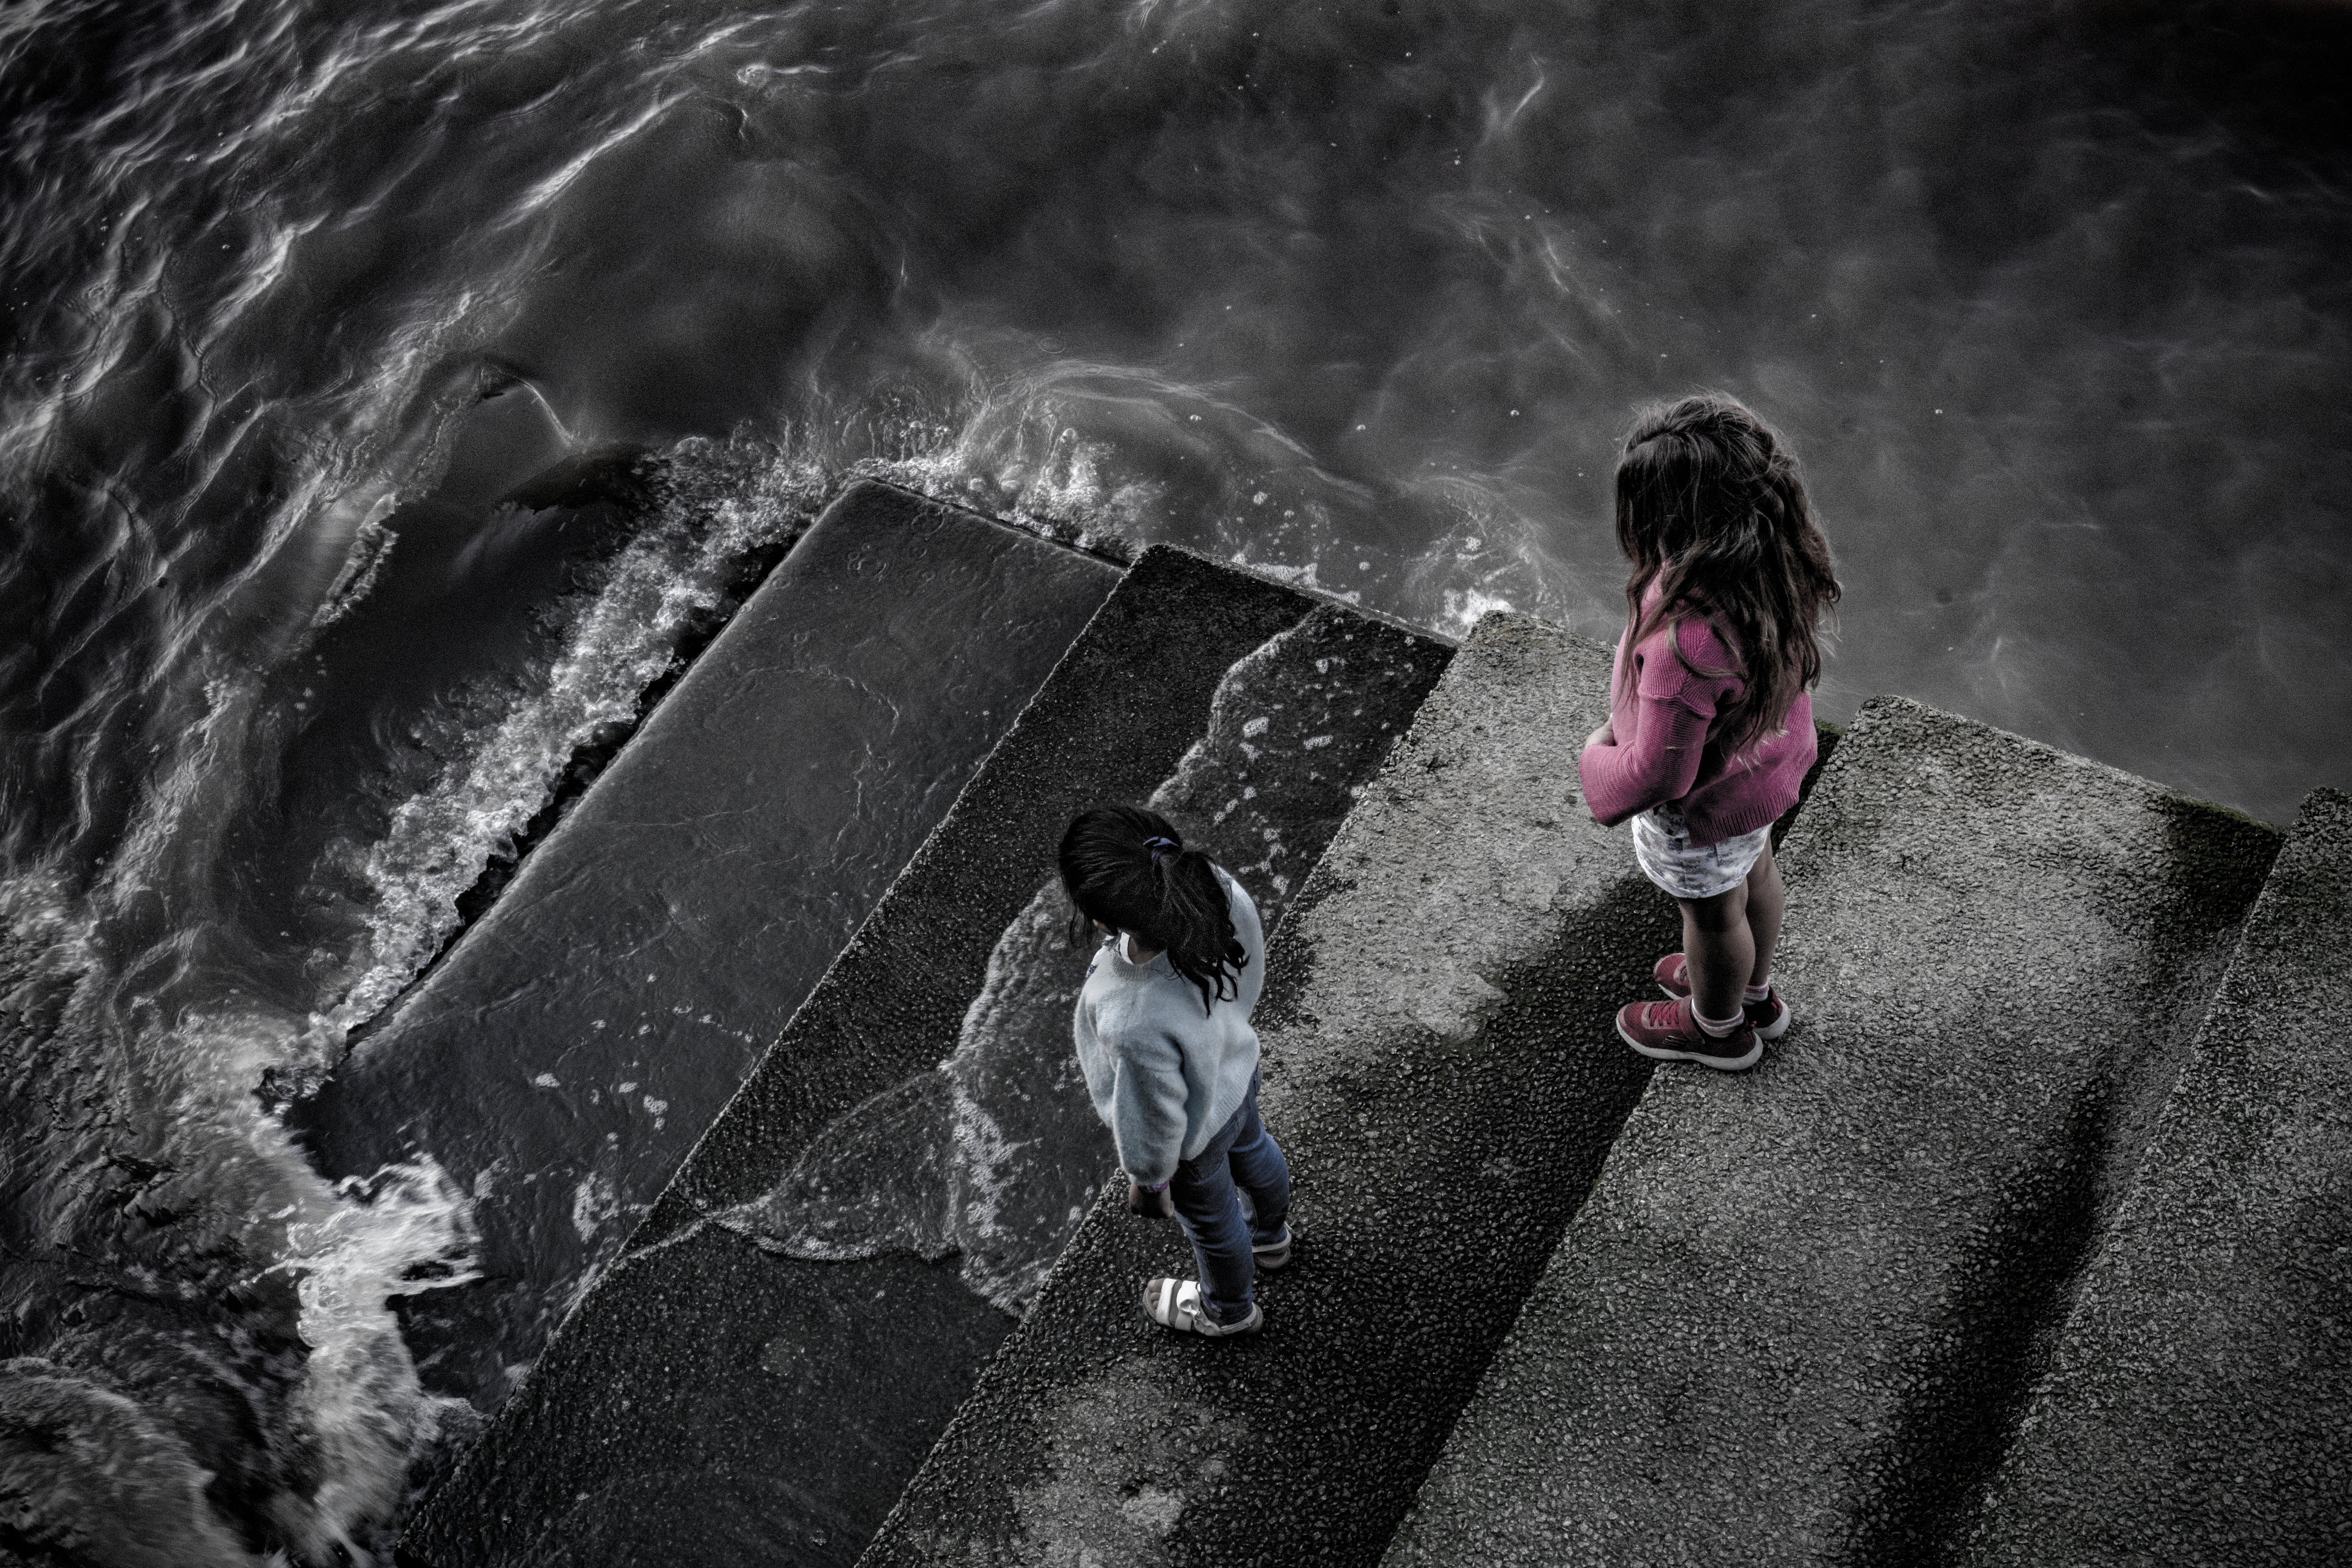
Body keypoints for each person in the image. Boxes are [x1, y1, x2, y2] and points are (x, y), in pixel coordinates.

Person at [1577, 392, 1842, 1071]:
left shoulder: (1687, 645)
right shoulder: (1776, 570)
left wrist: (1596, 759)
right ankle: (1754, 994)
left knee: (1713, 915)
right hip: (1755, 781)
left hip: (1703, 809)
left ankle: (1716, 1027)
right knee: (1756, 874)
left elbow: (1660, 774)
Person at [1060, 805, 1292, 1336]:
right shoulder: (1214, 890)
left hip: (1193, 1136)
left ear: (1102, 918)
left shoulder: (1132, 1013)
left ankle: (1228, 1311)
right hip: (1236, 1067)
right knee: (1255, 1150)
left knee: (1213, 1224)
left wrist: (1150, 1180)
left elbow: (1150, 1110)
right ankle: (1272, 1239)